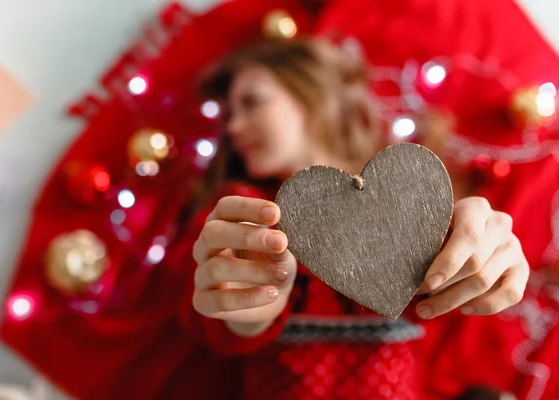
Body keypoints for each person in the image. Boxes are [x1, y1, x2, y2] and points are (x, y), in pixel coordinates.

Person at [178, 38, 530, 399]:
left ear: (311, 94)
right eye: (227, 115)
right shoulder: (241, 212)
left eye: (252, 102)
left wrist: (490, 264)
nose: (233, 127)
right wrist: (246, 311)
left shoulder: (411, 196)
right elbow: (208, 313)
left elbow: (448, 326)